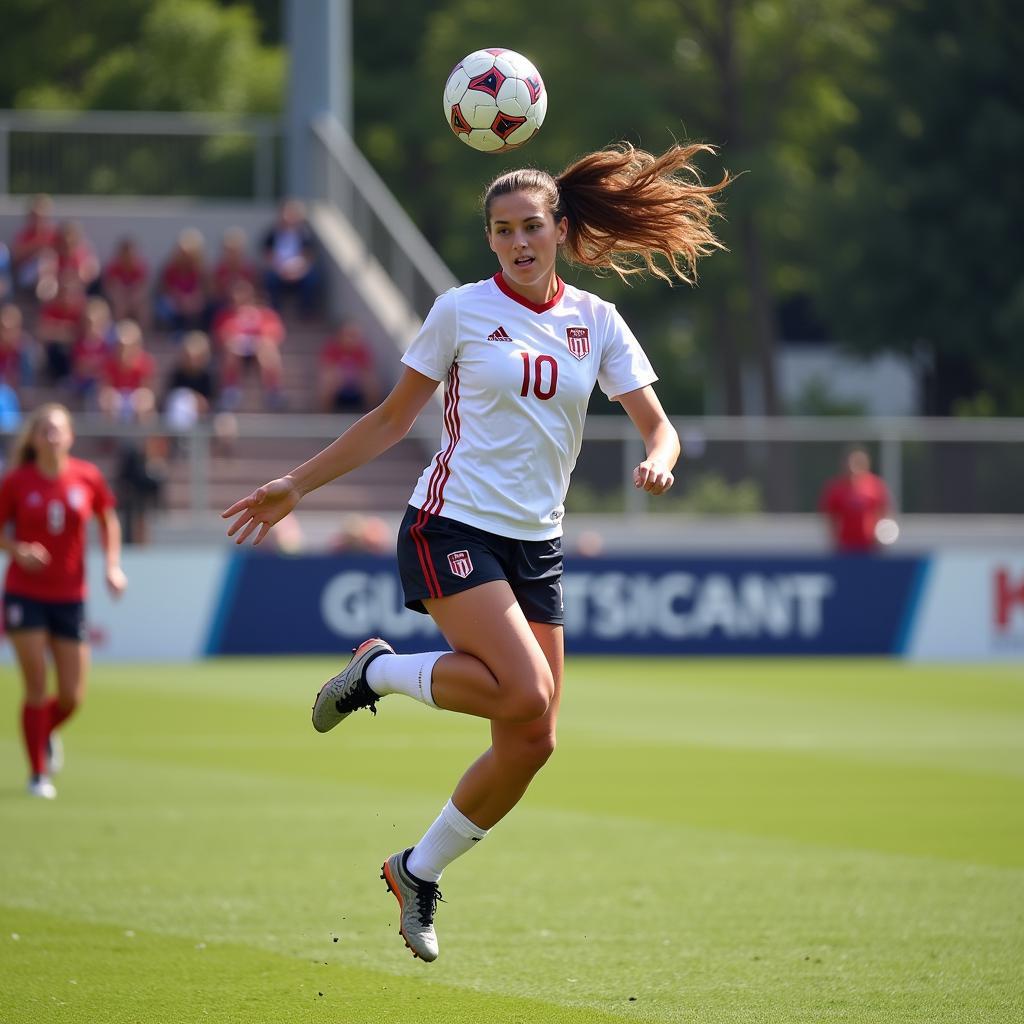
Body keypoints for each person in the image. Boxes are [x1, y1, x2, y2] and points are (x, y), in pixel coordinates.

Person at [223, 142, 728, 961]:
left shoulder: (596, 322)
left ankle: (415, 870)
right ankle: (379, 671)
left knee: (534, 739)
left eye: (533, 226)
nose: (520, 241)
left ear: (560, 229)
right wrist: (296, 486)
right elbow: (391, 421)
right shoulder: (460, 310)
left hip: (538, 544)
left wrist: (660, 459)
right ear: (489, 240)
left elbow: (657, 425)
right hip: (451, 526)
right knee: (525, 692)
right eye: (503, 230)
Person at [0, 403, 127, 799]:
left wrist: (112, 565)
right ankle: (38, 773)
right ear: (34, 439)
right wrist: (17, 550)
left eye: (58, 430)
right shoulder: (17, 481)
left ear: (70, 436)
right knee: (36, 685)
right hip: (25, 593)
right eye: (45, 431)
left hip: (70, 596)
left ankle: (45, 732)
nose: (52, 437)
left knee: (72, 696)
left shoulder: (86, 477)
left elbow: (108, 519)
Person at [211, 279, 286, 410]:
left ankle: (272, 392)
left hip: (258, 349)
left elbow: (275, 333)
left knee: (268, 350)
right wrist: (235, 340)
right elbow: (221, 335)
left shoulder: (265, 314)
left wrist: (261, 340)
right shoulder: (225, 315)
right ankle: (230, 391)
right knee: (231, 349)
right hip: (236, 350)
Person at [818, 446, 892, 553]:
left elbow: (884, 512)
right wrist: (834, 538)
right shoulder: (836, 488)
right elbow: (830, 517)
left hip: (870, 546)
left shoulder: (875, 486)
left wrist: (881, 535)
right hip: (845, 546)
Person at [261, 198, 319, 314]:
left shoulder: (304, 234)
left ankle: (305, 312)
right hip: (278, 270)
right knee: (270, 278)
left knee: (312, 278)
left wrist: (297, 270)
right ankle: (274, 311)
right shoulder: (272, 233)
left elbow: (308, 256)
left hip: (299, 270)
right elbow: (267, 254)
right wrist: (280, 269)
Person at [317, 321, 380, 413]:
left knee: (371, 383)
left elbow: (367, 371)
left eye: (354, 336)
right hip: (338, 385)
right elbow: (326, 368)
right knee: (327, 381)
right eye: (349, 335)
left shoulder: (361, 350)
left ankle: (372, 415)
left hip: (356, 385)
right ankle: (325, 416)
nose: (351, 339)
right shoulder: (333, 349)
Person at [102, 237, 150, 327]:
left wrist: (133, 300)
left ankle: (142, 334)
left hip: (134, 299)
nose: (128, 257)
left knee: (144, 309)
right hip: (118, 299)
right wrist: (121, 300)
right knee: (119, 307)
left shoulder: (140, 267)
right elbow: (110, 288)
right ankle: (117, 332)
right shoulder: (113, 267)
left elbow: (143, 288)